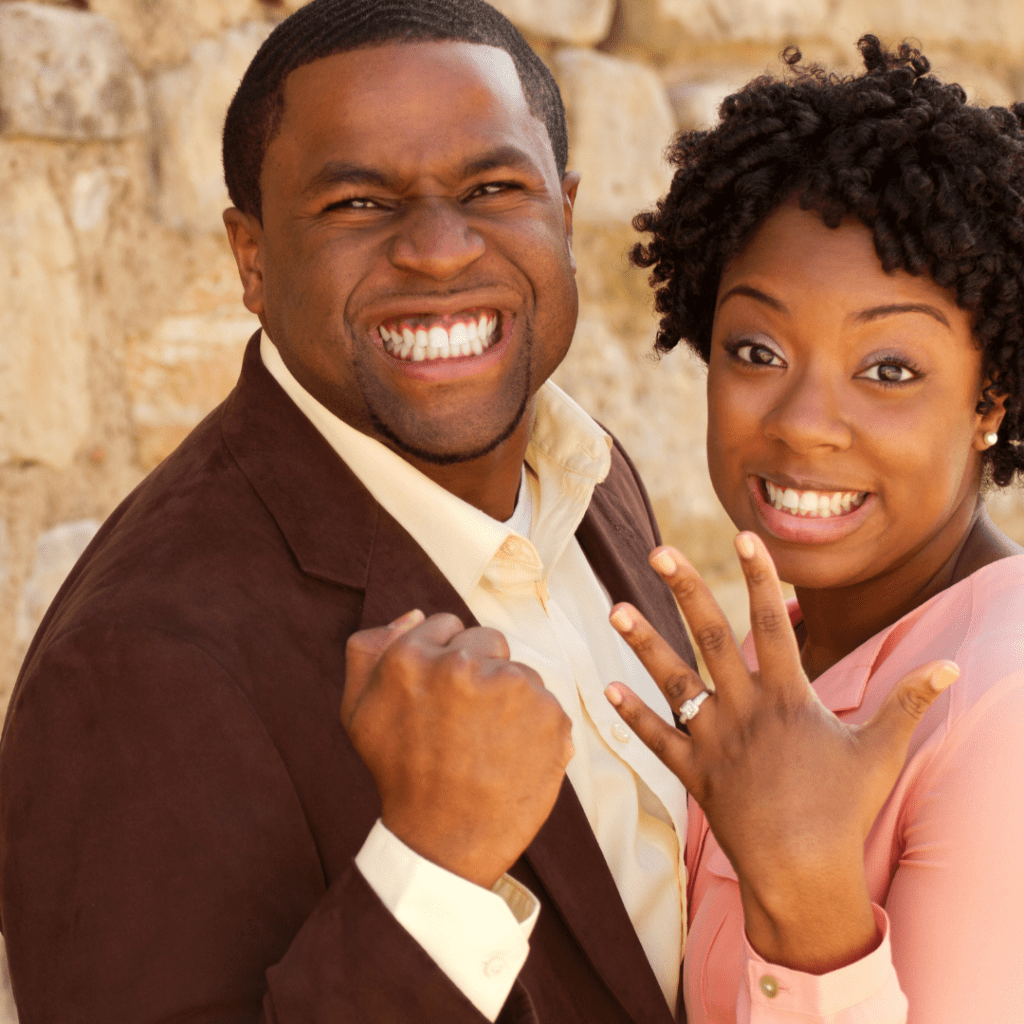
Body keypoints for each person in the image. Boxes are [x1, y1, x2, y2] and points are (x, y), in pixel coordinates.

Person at [0, 2, 697, 1022]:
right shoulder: (141, 656)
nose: (439, 248)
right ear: (250, 258)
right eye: (358, 204)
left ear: (565, 210)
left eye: (494, 188)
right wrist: (434, 871)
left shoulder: (589, 476)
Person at [603, 37, 1024, 1023]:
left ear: (989, 396)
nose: (799, 419)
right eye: (757, 348)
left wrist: (806, 901)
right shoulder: (790, 640)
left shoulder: (997, 708)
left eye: (886, 370)